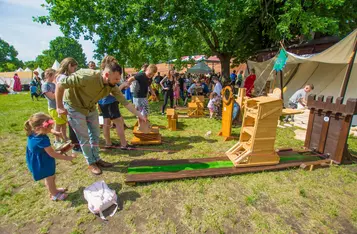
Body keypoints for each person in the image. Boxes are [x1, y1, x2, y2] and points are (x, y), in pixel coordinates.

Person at [56, 55, 147, 175]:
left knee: (95, 134)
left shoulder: (112, 86)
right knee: (84, 137)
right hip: (74, 107)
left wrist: (140, 115)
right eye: (115, 79)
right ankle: (91, 163)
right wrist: (59, 107)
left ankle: (97, 159)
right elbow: (60, 84)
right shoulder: (86, 76)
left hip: (90, 107)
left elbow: (125, 103)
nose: (117, 82)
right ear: (107, 74)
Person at [24, 113, 76, 201]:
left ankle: (53, 190)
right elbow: (53, 154)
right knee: (50, 178)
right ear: (40, 128)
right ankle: (54, 194)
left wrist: (54, 132)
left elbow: (46, 130)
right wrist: (68, 158)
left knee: (51, 177)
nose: (51, 128)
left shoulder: (33, 131)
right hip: (42, 162)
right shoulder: (42, 140)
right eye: (49, 127)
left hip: (39, 158)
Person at [97, 56, 134, 150]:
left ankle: (108, 143)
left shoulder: (102, 74)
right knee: (119, 123)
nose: (116, 63)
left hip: (102, 102)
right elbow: (111, 92)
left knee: (106, 122)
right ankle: (124, 144)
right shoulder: (109, 74)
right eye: (114, 61)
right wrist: (122, 85)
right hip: (110, 102)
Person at [55, 58, 81, 154]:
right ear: (69, 65)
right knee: (72, 126)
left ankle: (76, 144)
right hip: (67, 104)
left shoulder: (63, 76)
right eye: (74, 67)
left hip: (69, 103)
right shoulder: (62, 77)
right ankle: (75, 145)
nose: (75, 70)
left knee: (73, 125)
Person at [42, 68, 68, 147]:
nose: (56, 77)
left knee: (63, 123)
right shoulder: (45, 85)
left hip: (61, 106)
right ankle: (57, 140)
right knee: (58, 124)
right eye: (55, 75)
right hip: (53, 108)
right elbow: (52, 97)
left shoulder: (53, 84)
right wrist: (58, 89)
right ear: (50, 75)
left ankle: (64, 137)